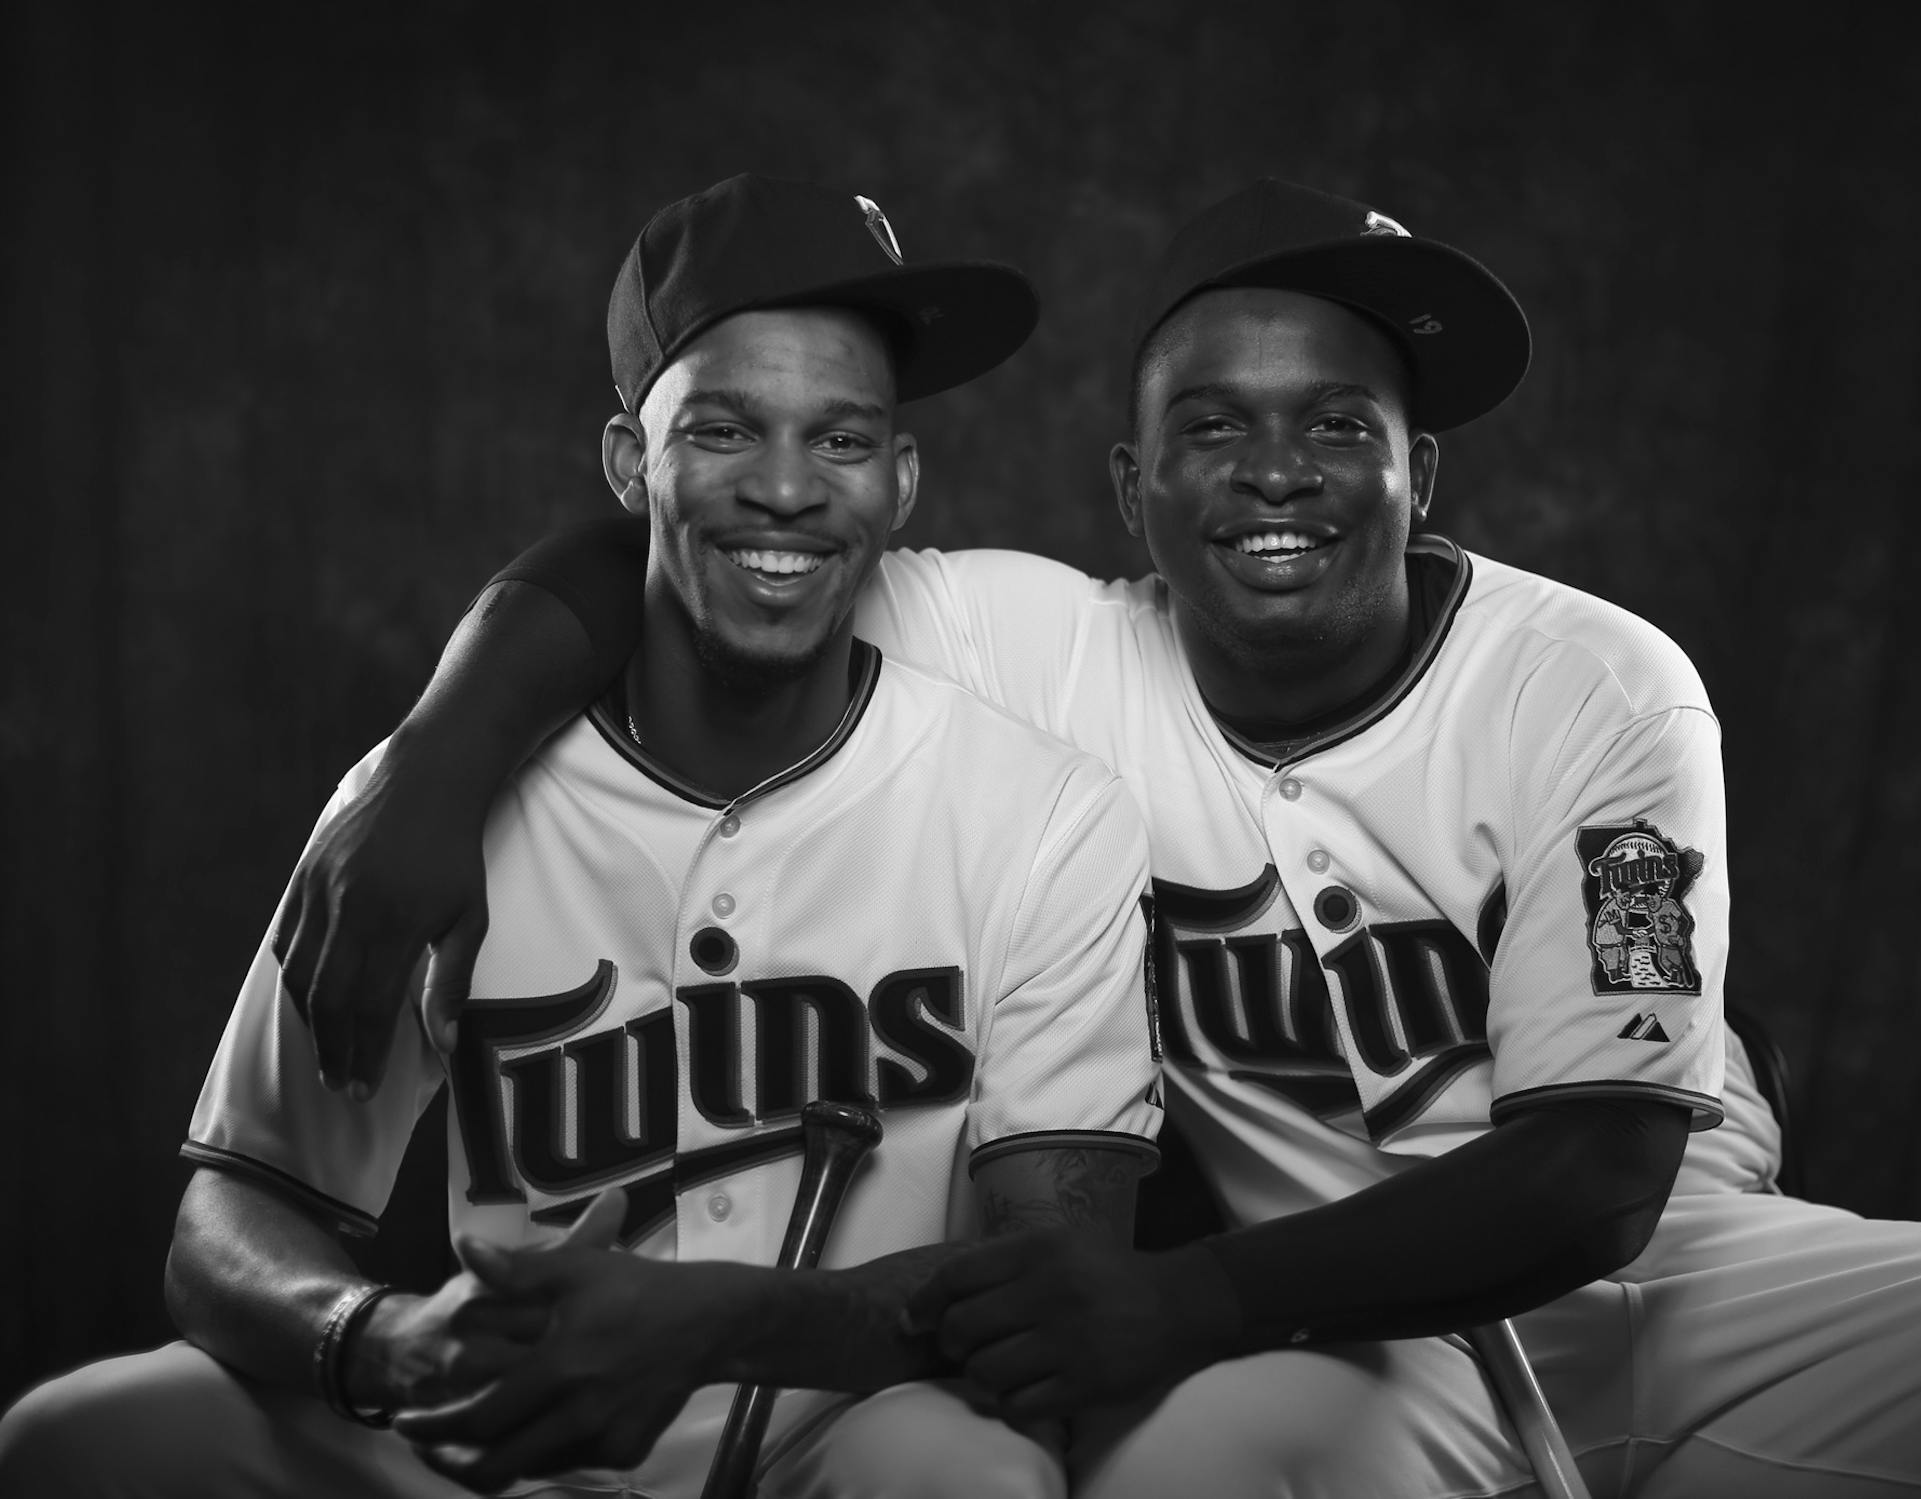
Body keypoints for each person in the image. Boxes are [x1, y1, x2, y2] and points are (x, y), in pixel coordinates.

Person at [121, 180, 1921, 1497]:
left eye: (1338, 424)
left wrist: (1174, 1307)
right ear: (1128, 487)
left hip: (1679, 1260)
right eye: (1212, 425)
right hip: (1335, 1324)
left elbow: (1602, 1176)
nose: (1276, 470)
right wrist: (439, 761)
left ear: (1424, 475)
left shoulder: (1600, 686)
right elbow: (701, 540)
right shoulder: (1042, 645)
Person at [0, 173, 1167, 1499]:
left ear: (899, 482)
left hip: (843, 1442)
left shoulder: (1040, 808)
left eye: (841, 441)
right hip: (508, 1449)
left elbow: (1058, 1278)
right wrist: (381, 1343)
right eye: (724, 430)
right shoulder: (431, 812)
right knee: (81, 1436)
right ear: (629, 464)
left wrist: (716, 1327)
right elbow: (231, 1218)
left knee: (966, 1475)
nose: (787, 487)